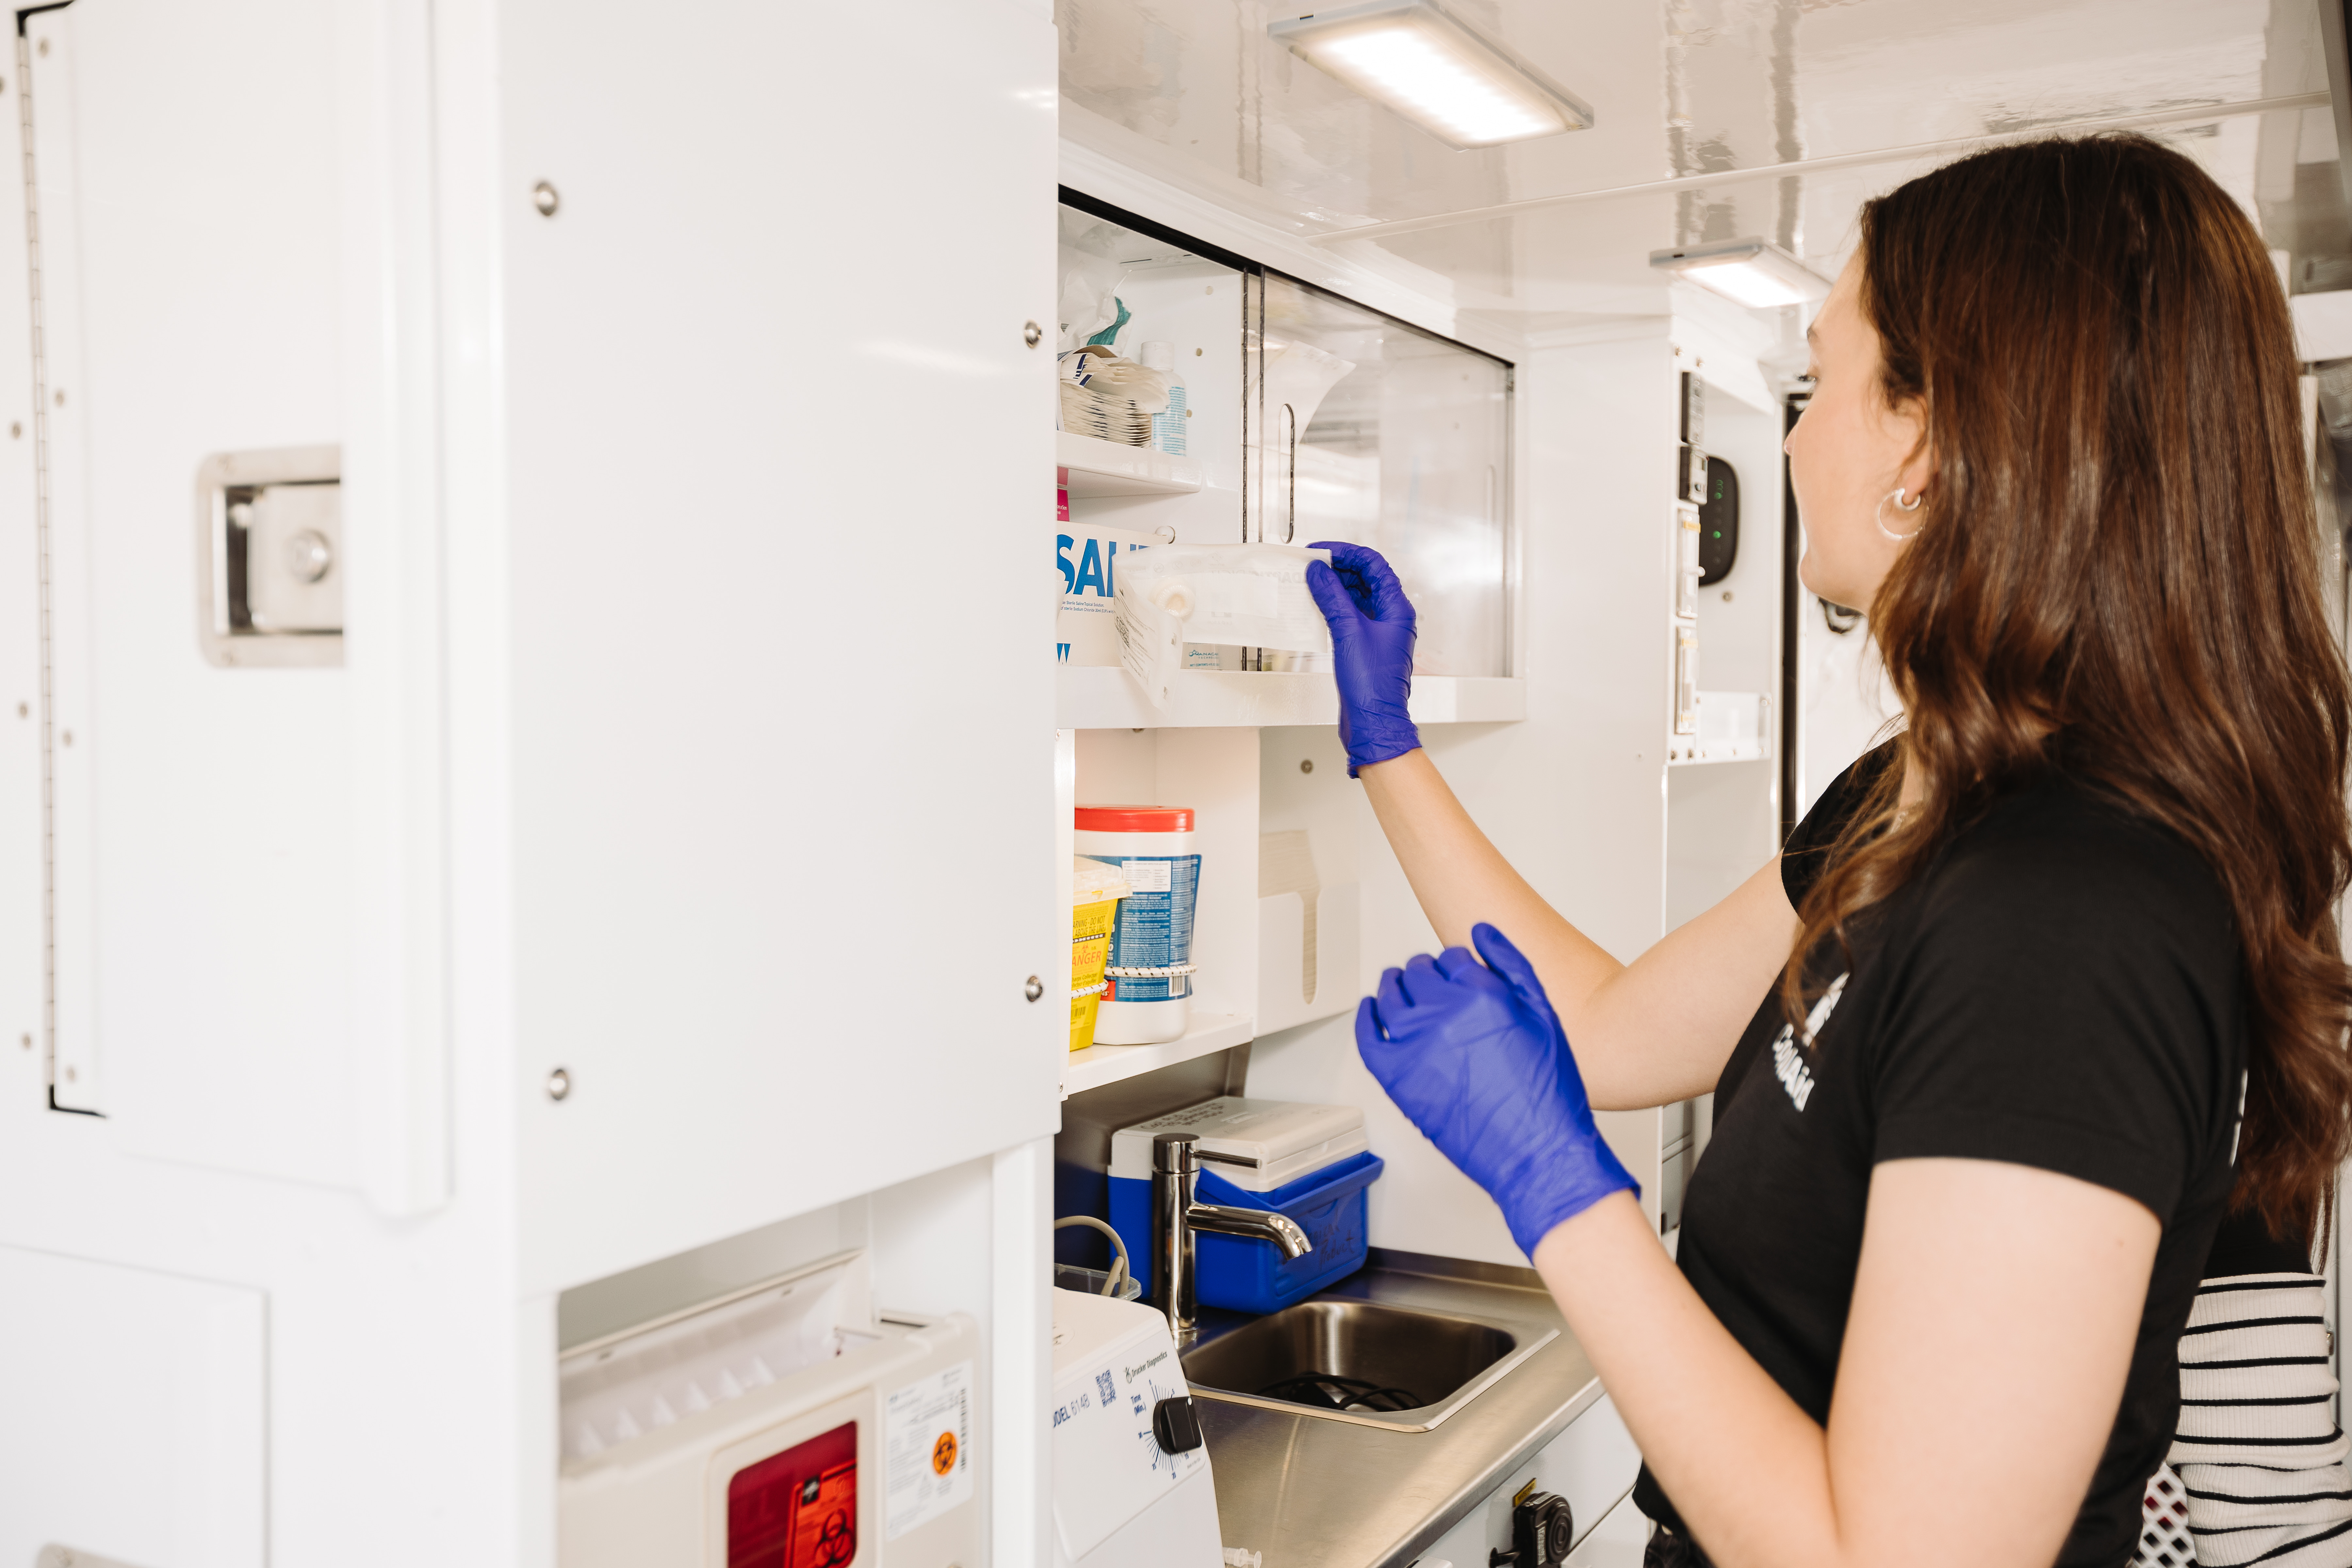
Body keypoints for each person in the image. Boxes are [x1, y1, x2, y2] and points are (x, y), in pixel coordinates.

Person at [1304, 134, 2352, 1568]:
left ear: (1931, 446)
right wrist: (1385, 745)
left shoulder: (2069, 923)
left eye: (1824, 380)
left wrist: (1559, 1188)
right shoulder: (1926, 795)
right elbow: (1611, 1030)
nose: (1793, 440)